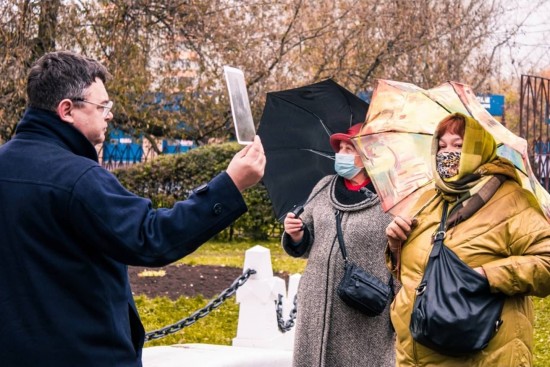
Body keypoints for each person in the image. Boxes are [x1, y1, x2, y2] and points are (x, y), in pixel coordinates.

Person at [0, 51, 265, 366]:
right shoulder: (78, 178)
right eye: (102, 106)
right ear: (67, 110)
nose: (109, 115)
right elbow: (151, 237)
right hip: (85, 354)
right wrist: (231, 184)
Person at [386, 112, 550, 366]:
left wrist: (487, 275)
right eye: (441, 146)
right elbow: (419, 274)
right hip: (417, 350)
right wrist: (397, 245)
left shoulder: (511, 200)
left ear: (479, 148)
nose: (447, 153)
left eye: (459, 145)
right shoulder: (430, 198)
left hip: (482, 353)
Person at [282, 123, 395, 367]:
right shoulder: (323, 187)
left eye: (349, 148)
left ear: (368, 155)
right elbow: (308, 234)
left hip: (363, 310)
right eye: (340, 148)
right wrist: (296, 234)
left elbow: (399, 258)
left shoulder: (390, 198)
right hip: (315, 302)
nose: (341, 154)